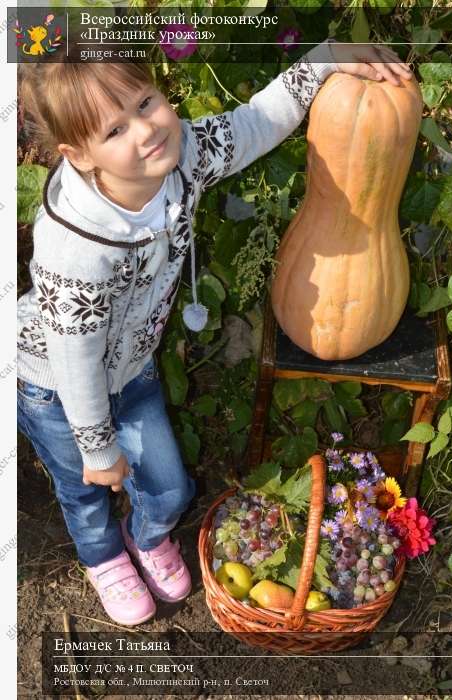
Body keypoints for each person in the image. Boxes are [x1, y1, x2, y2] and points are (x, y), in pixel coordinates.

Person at [17, 39, 412, 626]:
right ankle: (103, 558)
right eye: (114, 131)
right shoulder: (74, 246)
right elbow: (74, 358)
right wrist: (98, 448)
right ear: (79, 156)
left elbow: (254, 122)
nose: (145, 131)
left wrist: (326, 57)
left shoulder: (184, 159)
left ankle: (148, 536)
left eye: (146, 102)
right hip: (54, 385)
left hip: (132, 369)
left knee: (170, 490)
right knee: (85, 493)